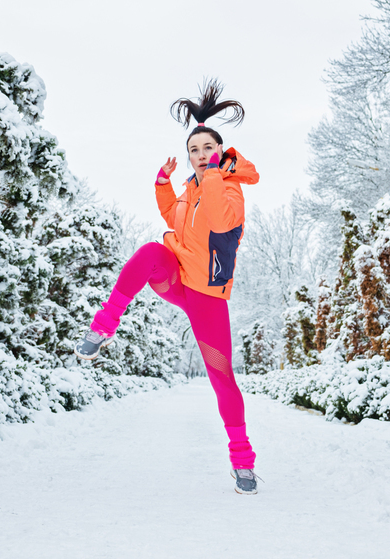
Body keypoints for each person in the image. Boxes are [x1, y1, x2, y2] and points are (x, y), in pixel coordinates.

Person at [74, 79, 261, 495]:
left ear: (220, 151)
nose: (199, 156)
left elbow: (218, 220)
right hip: (178, 280)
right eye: (193, 150)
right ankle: (103, 326)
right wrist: (163, 184)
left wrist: (213, 174)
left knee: (222, 378)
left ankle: (242, 460)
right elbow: (175, 217)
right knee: (149, 253)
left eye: (207, 149)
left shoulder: (228, 189)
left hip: (208, 298)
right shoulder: (193, 187)